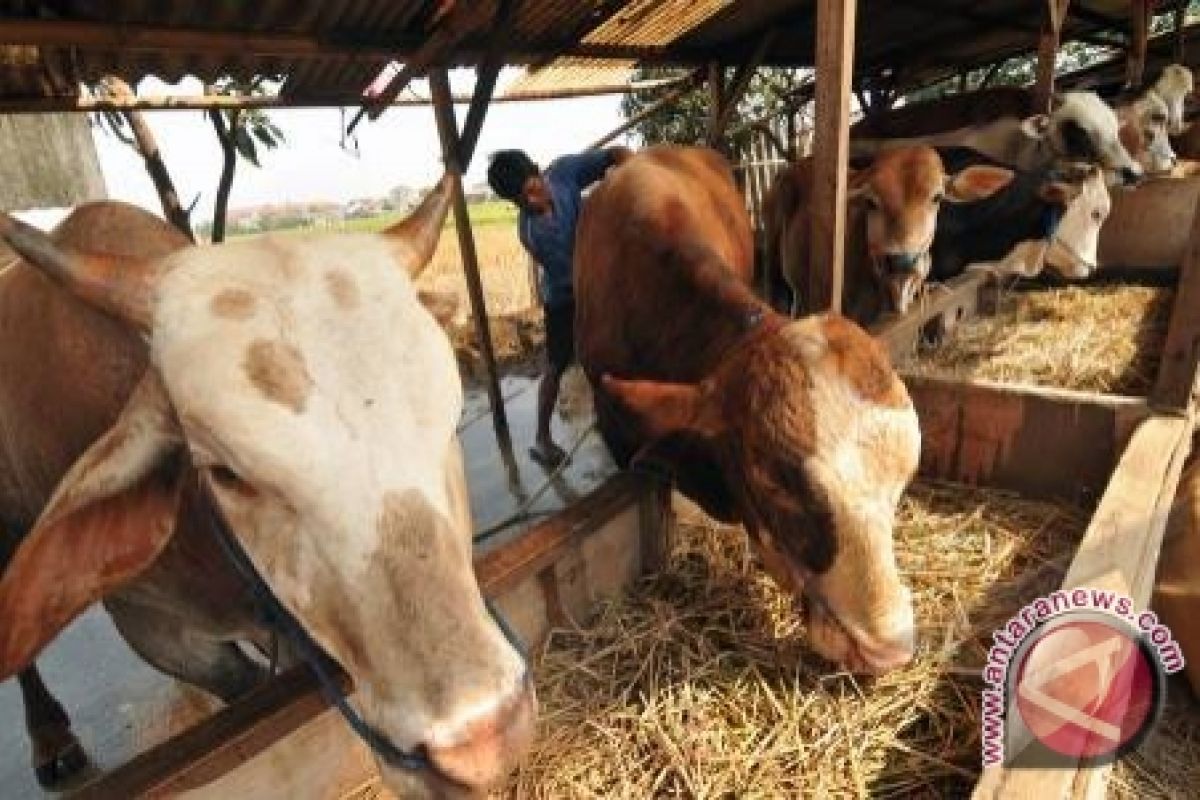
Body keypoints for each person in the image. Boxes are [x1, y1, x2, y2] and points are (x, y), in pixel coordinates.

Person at [487, 146, 631, 468]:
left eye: (532, 190)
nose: (533, 202)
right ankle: (542, 439)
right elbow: (576, 273)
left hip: (595, 279)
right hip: (565, 295)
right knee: (556, 365)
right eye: (522, 202)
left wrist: (633, 176)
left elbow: (615, 154)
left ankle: (615, 417)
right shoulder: (532, 233)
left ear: (539, 171)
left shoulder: (565, 173)